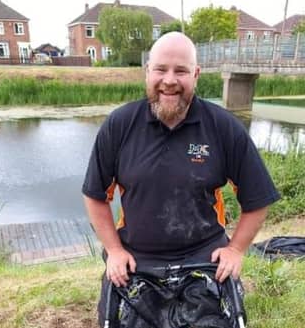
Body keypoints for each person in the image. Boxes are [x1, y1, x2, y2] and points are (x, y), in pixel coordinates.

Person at [82, 32, 280, 309]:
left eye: (181, 71)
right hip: (136, 255)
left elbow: (258, 199)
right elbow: (94, 195)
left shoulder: (224, 127)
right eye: (161, 69)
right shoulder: (119, 125)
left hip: (205, 256)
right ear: (147, 71)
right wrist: (114, 250)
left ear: (196, 74)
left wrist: (235, 250)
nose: (170, 80)